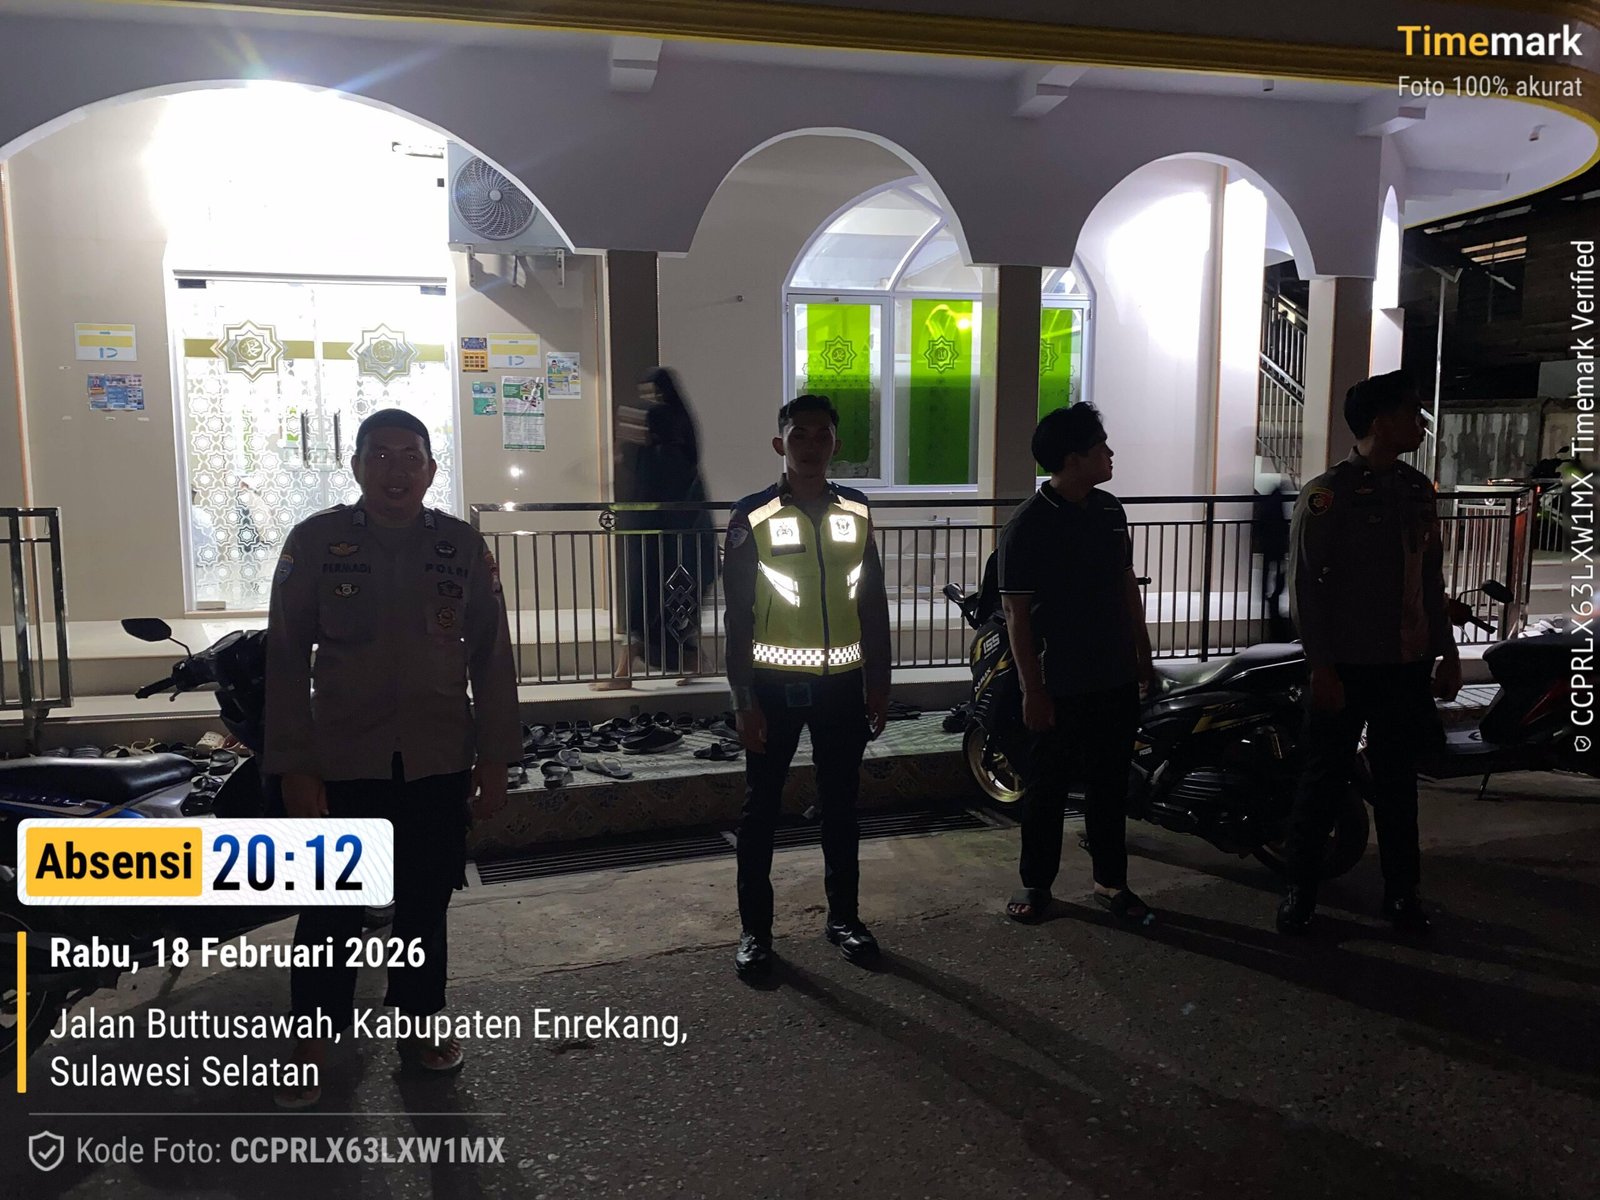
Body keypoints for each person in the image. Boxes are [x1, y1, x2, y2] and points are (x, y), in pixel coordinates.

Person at [263, 407, 521, 1107]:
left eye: (411, 457)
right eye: (380, 456)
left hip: (437, 757)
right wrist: (294, 765)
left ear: (431, 470)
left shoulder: (460, 546)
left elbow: (491, 657)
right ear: (355, 466)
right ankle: (312, 1038)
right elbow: (284, 658)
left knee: (425, 903)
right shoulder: (316, 542)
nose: (396, 470)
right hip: (344, 760)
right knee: (329, 908)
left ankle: (419, 1021)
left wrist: (495, 758)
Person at [1277, 371, 1461, 937]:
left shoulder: (1416, 488)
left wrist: (1446, 651)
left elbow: (1430, 579)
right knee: (1323, 781)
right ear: (1380, 422)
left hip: (1404, 665)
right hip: (1346, 666)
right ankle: (1300, 892)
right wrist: (1322, 667)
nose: (1421, 423)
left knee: (1399, 787)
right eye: (1411, 412)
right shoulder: (1327, 494)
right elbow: (1306, 587)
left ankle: (1402, 895)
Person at [722, 394, 892, 979]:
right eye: (800, 435)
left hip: (843, 686)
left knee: (841, 806)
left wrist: (879, 681)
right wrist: (743, 700)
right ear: (780, 444)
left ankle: (844, 918)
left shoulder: (857, 509)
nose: (812, 445)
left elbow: (872, 600)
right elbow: (738, 616)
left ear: (836, 444)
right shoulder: (752, 514)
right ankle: (755, 932)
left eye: (823, 435)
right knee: (761, 811)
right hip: (773, 689)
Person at [998, 402, 1156, 925]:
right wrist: (1032, 689)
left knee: (1110, 784)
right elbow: (1016, 615)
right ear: (1072, 458)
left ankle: (1111, 882)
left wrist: (1143, 655)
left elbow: (1126, 586)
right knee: (1047, 788)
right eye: (1100, 446)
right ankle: (1036, 883)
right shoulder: (1029, 525)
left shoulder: (1109, 511)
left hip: (1113, 673)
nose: (1110, 454)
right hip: (1059, 680)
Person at [595, 367, 716, 689]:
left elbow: (644, 476)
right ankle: (675, 665)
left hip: (667, 548)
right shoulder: (675, 453)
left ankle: (634, 671)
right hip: (664, 546)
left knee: (656, 608)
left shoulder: (665, 454)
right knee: (651, 608)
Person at [1253, 475, 1294, 641]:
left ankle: (1270, 599)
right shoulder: (1278, 507)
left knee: (1271, 582)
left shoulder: (1268, 505)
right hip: (1276, 548)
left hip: (1270, 548)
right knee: (1277, 582)